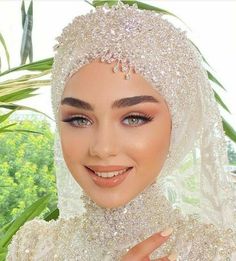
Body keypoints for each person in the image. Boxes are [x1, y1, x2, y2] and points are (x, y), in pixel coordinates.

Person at [6, 1, 236, 260]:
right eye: (79, 119)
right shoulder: (33, 247)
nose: (103, 148)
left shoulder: (219, 252)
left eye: (134, 118)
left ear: (178, 125)